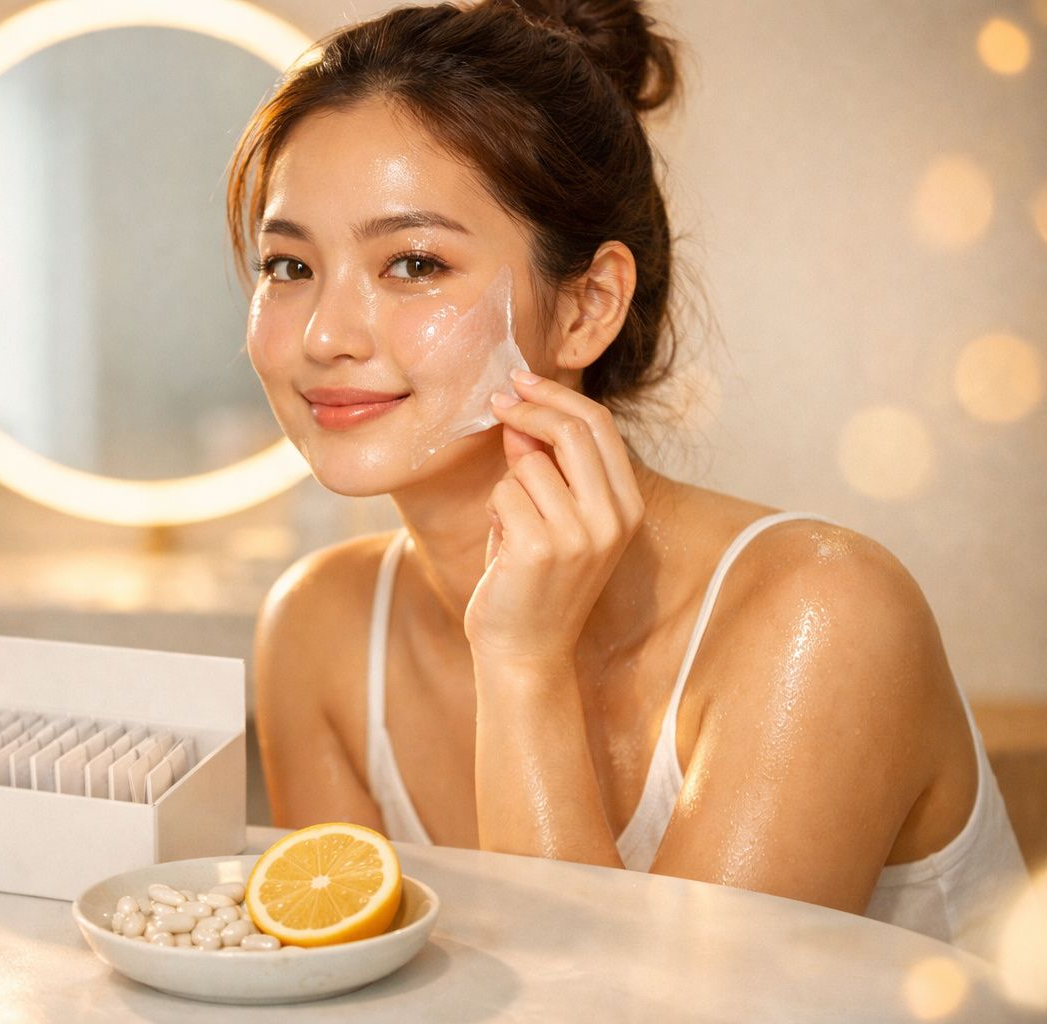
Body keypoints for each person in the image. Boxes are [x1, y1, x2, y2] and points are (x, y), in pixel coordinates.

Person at [225, 0, 1032, 959]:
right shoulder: (321, 630)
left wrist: (524, 668)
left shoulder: (825, 617)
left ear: (587, 308)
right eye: (288, 265)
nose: (323, 336)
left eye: (413, 262)